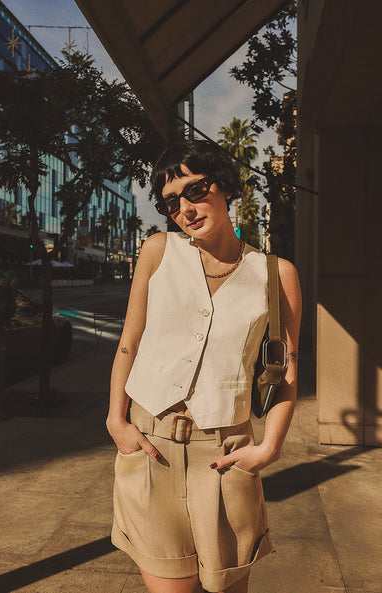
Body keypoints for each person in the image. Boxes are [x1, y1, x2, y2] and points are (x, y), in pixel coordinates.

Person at [106, 139, 302, 593]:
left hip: (224, 455)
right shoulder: (157, 251)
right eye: (171, 202)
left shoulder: (276, 273)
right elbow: (129, 342)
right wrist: (117, 420)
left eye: (196, 190)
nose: (185, 209)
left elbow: (287, 372)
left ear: (226, 187)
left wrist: (269, 448)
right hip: (151, 449)